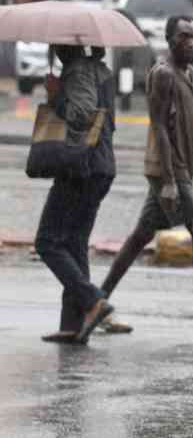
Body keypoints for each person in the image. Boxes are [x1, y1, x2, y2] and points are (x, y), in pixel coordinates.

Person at [98, 16, 193, 325]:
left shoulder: (192, 75)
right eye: (184, 36)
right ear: (170, 39)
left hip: (182, 167)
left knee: (140, 237)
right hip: (168, 169)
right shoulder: (162, 74)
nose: (191, 42)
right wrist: (171, 181)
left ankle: (97, 300)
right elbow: (159, 126)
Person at [37, 45, 116, 344]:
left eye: (57, 44)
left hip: (80, 167)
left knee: (47, 241)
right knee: (74, 242)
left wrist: (56, 95)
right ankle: (73, 324)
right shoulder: (101, 70)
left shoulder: (79, 71)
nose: (54, 49)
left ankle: (93, 301)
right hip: (101, 166)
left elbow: (81, 115)